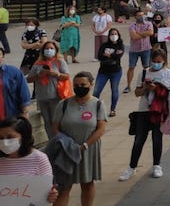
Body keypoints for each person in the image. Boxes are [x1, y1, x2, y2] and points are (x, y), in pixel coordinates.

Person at [119, 49, 170, 181]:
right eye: (153, 61)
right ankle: (131, 167)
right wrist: (145, 88)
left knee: (157, 138)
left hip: (159, 110)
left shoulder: (168, 73)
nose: (155, 64)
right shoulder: (144, 73)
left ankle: (157, 165)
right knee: (139, 140)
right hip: (144, 110)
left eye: (158, 62)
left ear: (164, 61)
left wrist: (158, 89)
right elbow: (137, 93)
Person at [51, 71, 107, 206]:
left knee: (87, 183)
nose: (79, 87)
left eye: (83, 84)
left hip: (88, 150)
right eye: (76, 85)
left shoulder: (98, 104)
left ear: (91, 85)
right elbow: (55, 127)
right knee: (63, 185)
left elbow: (101, 129)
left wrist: (85, 146)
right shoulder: (63, 104)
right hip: (66, 151)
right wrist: (65, 143)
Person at [0, 117, 59, 203]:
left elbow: (45, 194)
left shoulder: (39, 159)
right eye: (1, 138)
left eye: (10, 137)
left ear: (23, 137)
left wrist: (51, 195)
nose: (5, 142)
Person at [26, 41, 69, 138]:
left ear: (56, 50)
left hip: (56, 96)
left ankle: (60, 140)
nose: (49, 50)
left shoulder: (59, 62)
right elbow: (29, 79)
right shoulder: (38, 63)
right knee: (47, 121)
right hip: (42, 97)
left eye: (51, 48)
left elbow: (66, 76)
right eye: (47, 48)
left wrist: (56, 74)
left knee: (56, 121)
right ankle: (52, 141)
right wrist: (39, 75)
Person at [93, 28, 125, 117]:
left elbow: (119, 56)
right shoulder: (104, 45)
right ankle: (94, 108)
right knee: (96, 91)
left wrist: (109, 55)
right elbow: (99, 56)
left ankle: (113, 109)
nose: (113, 36)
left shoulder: (120, 45)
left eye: (115, 34)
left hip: (116, 71)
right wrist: (113, 55)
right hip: (103, 71)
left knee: (114, 90)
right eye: (112, 34)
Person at [125, 11, 154, 94]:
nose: (141, 17)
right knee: (131, 67)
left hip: (146, 48)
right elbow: (134, 36)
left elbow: (151, 33)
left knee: (146, 67)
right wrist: (144, 34)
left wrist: (139, 33)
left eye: (142, 15)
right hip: (134, 50)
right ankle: (128, 85)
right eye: (139, 15)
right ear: (135, 17)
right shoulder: (132, 25)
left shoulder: (148, 23)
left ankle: (146, 83)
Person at [0, 50, 30, 120]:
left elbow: (23, 92)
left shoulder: (14, 72)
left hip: (11, 115)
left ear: (3, 56)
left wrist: (25, 112)